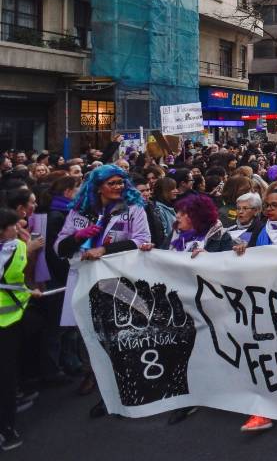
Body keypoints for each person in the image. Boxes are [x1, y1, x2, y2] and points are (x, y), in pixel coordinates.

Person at [53, 164, 151, 418]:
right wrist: (76, 238)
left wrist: (105, 250)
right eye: (113, 183)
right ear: (98, 188)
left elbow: (142, 240)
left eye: (121, 182)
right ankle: (101, 387)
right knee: (91, 335)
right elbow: (58, 247)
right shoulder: (79, 212)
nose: (119, 187)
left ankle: (129, 389)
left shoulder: (133, 208)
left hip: (116, 282)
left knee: (119, 335)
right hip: (84, 280)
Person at [1, 207, 42, 451]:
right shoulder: (16, 248)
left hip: (12, 319)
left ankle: (7, 424)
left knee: (7, 376)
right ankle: (7, 427)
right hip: (8, 320)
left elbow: (19, 279)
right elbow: (17, 274)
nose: (19, 229)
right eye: (13, 226)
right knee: (5, 377)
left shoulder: (15, 246)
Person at [166, 195, 233, 253]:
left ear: (197, 216)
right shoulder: (175, 233)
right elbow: (162, 255)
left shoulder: (221, 237)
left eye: (183, 213)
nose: (177, 215)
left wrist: (208, 258)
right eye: (178, 212)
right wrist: (155, 252)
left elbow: (227, 263)